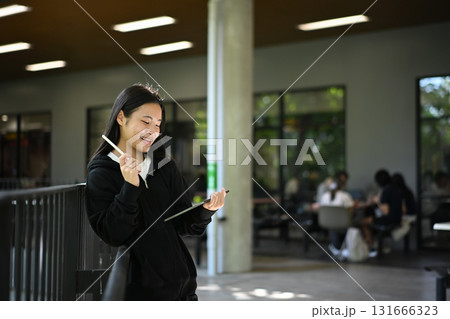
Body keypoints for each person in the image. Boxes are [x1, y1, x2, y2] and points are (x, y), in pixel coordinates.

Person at [85, 84, 226, 300]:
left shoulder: (163, 166)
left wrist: (206, 210)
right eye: (146, 121)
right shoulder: (102, 172)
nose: (154, 131)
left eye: (158, 124)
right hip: (143, 294)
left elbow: (183, 224)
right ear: (121, 118)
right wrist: (130, 187)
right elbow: (112, 233)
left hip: (184, 290)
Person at [362, 169, 403, 251]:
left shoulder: (386, 191)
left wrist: (378, 201)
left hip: (390, 219)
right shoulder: (395, 189)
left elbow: (386, 212)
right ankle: (375, 244)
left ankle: (371, 247)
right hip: (398, 218)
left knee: (364, 222)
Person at [319, 177, 355, 253]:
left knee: (334, 226)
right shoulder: (345, 196)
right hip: (343, 223)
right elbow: (351, 210)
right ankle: (343, 248)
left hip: (328, 223)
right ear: (341, 186)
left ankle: (337, 247)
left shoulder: (324, 196)